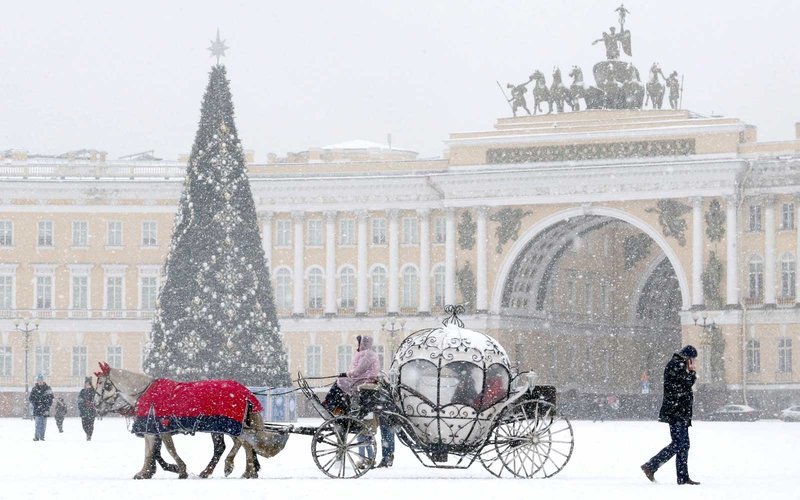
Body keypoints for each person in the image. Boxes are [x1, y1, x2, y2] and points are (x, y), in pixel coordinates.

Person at [641, 345, 701, 485]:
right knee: (679, 443)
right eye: (692, 359)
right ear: (688, 358)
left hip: (680, 412)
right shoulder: (676, 365)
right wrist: (692, 372)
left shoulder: (677, 364)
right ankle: (651, 466)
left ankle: (682, 477)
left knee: (683, 444)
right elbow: (685, 384)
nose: (693, 362)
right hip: (676, 412)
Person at [30, 373, 54, 441]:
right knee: (37, 424)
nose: (40, 381)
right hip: (37, 408)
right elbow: (31, 398)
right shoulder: (34, 389)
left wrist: (47, 405)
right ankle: (37, 437)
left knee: (43, 424)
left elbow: (51, 398)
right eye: (38, 380)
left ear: (43, 380)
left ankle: (42, 436)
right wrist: (35, 403)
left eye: (41, 380)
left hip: (45, 408)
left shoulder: (48, 388)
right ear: (37, 381)